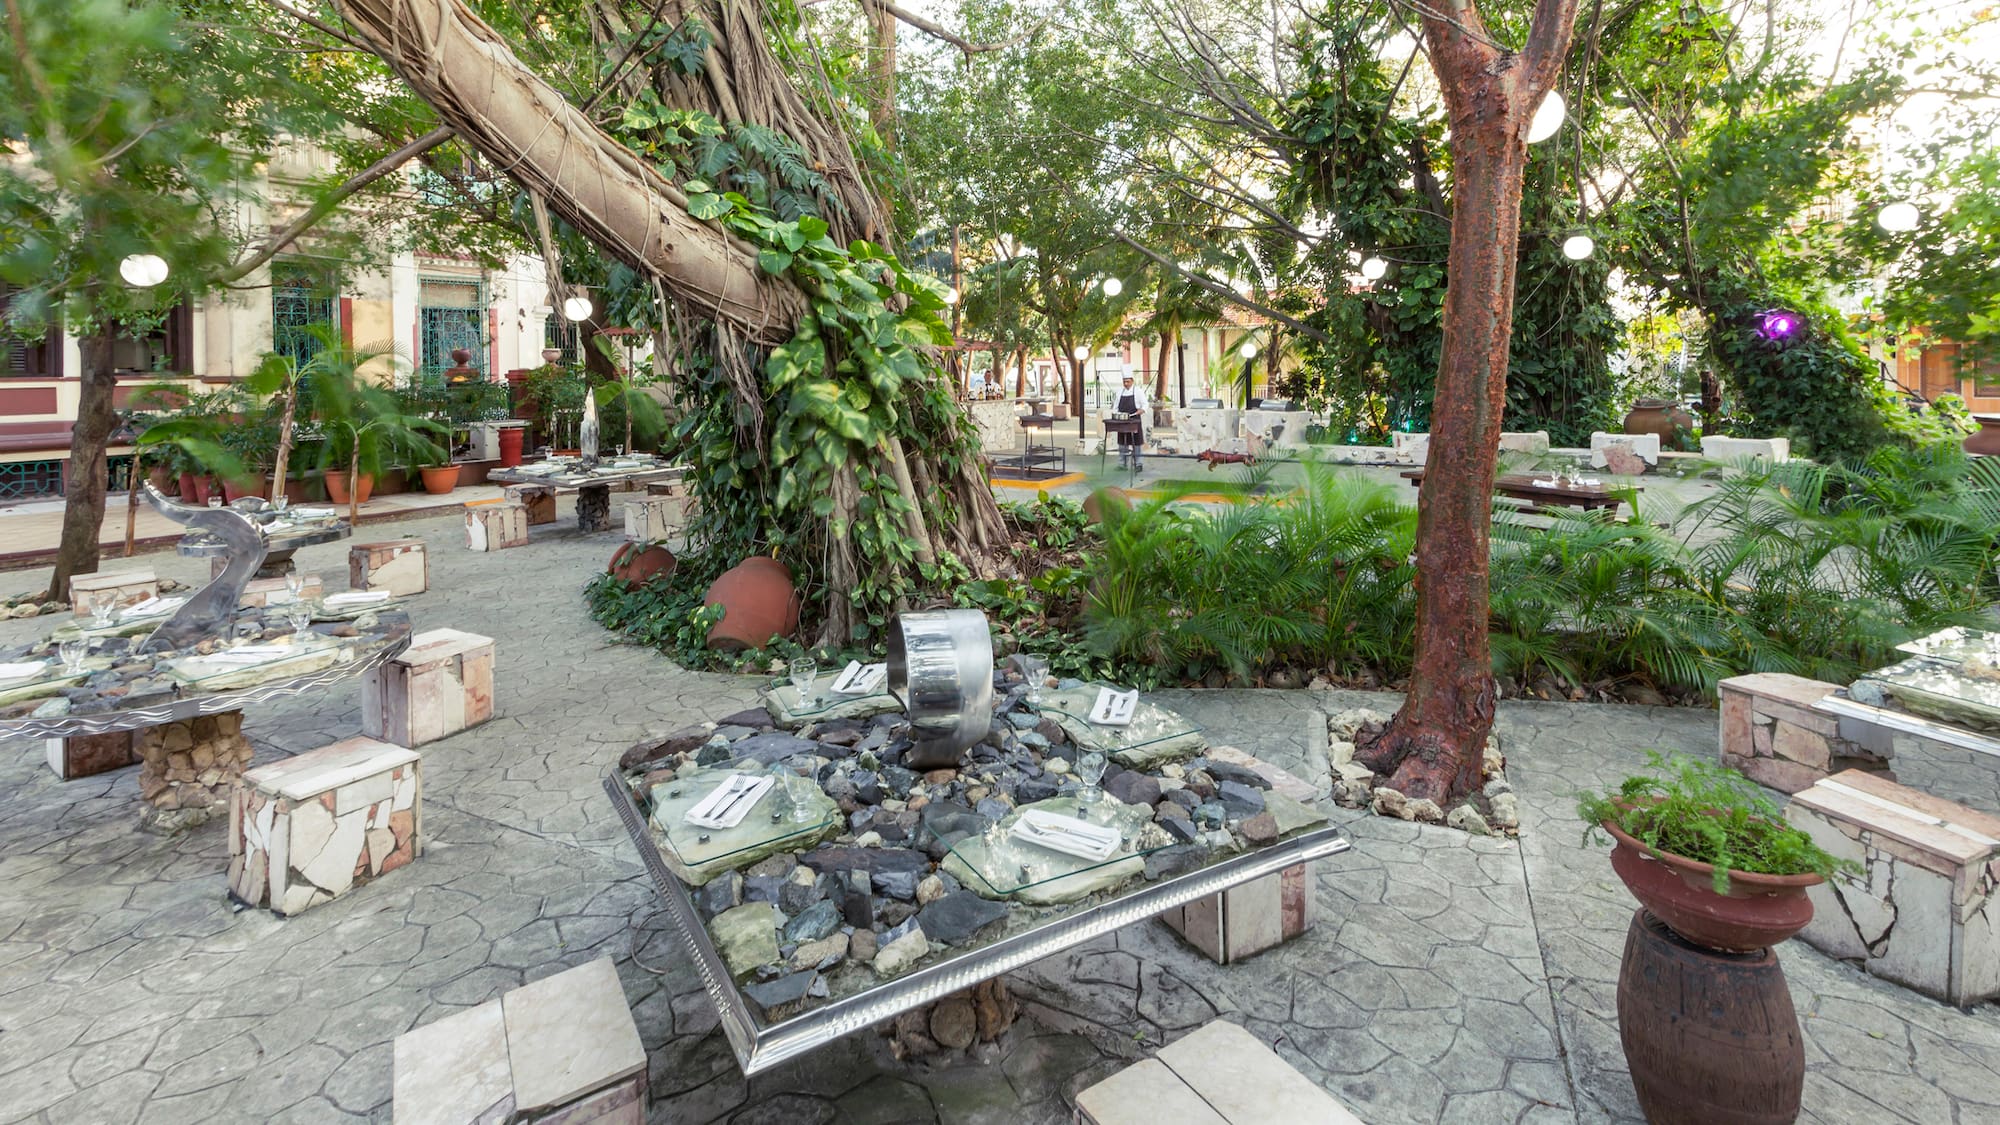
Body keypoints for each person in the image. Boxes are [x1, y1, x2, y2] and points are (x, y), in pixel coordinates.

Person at [1112, 374, 1149, 471]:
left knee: (1136, 443)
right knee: (1122, 442)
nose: (1126, 384)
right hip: (1122, 421)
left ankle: (1138, 464)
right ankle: (1122, 464)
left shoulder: (1138, 391)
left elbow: (1145, 404)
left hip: (1134, 419)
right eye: (1124, 381)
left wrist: (1142, 410)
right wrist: (1116, 414)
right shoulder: (1120, 392)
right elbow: (1115, 407)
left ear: (1132, 381)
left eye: (1127, 381)